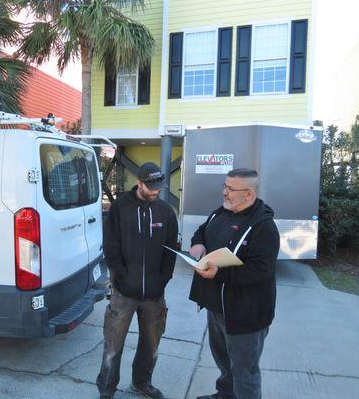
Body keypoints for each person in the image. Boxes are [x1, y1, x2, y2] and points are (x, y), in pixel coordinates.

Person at [189, 168, 280, 399]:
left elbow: (260, 271)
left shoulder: (264, 227)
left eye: (231, 189)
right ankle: (225, 395)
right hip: (216, 307)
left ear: (248, 194)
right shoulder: (221, 213)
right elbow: (202, 230)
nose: (224, 193)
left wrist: (218, 274)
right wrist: (198, 243)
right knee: (224, 362)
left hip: (245, 314)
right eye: (224, 186)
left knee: (244, 371)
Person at [96, 162, 178, 399]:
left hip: (154, 294)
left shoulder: (165, 212)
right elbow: (111, 246)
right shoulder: (120, 207)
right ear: (139, 182)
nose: (156, 191)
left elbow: (170, 250)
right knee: (113, 346)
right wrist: (120, 277)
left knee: (151, 344)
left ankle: (142, 383)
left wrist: (162, 281)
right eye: (151, 186)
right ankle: (107, 389)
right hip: (123, 293)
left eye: (158, 187)